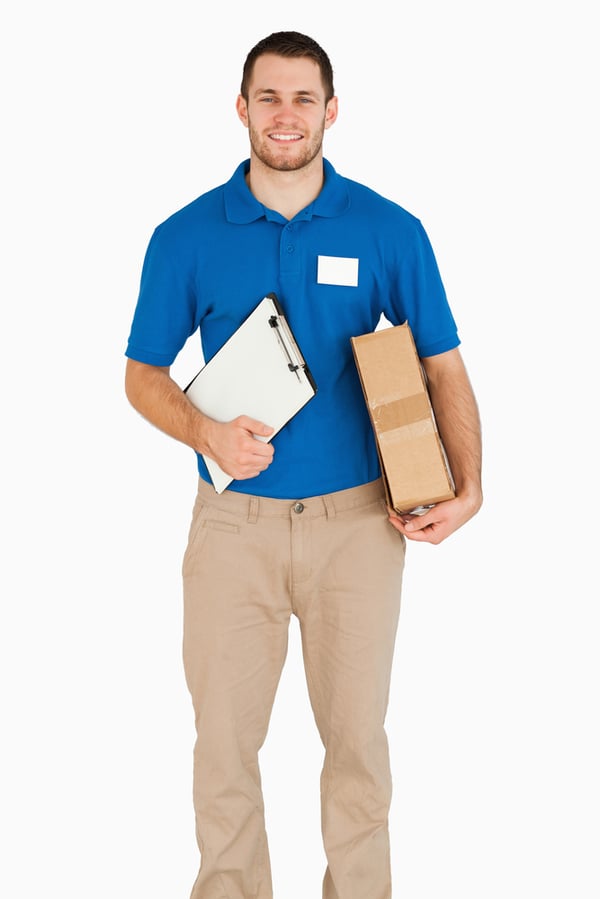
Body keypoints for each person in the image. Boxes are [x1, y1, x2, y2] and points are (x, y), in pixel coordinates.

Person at [124, 30, 482, 899]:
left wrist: (471, 486)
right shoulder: (185, 236)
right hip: (232, 529)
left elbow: (443, 366)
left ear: (332, 110)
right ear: (242, 109)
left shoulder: (391, 231)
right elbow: (141, 375)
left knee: (358, 747)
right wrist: (205, 433)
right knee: (223, 748)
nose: (287, 115)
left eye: (304, 98)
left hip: (361, 527)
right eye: (270, 98)